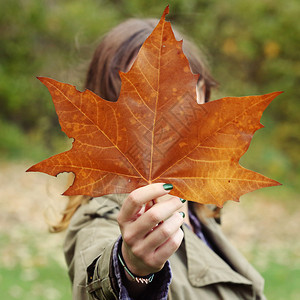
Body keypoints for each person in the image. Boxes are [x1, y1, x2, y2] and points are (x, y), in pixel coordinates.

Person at [52, 17, 266, 299]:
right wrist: (131, 270)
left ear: (204, 94)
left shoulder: (199, 212)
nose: (167, 110)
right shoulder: (105, 214)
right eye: (140, 94)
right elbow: (99, 276)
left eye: (183, 87)